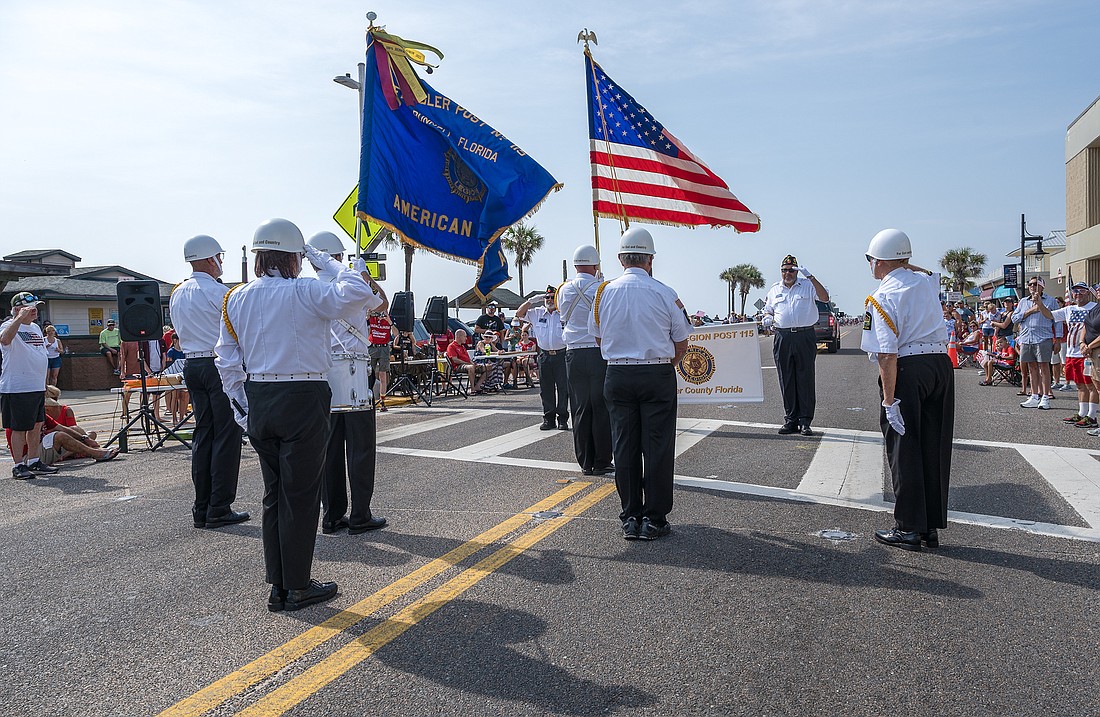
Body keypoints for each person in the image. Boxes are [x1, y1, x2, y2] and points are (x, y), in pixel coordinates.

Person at [216, 218, 373, 612]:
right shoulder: (307, 290)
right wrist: (327, 261)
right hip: (303, 395)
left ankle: (279, 584)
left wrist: (241, 405)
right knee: (301, 496)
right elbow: (358, 291)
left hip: (259, 396)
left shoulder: (235, 297)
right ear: (294, 257)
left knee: (275, 495)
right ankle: (299, 586)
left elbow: (227, 360)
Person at [588, 227, 691, 541]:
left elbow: (597, 336)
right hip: (656, 374)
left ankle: (630, 516)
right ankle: (654, 518)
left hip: (618, 374)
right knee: (657, 448)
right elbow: (683, 340)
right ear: (650, 260)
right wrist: (665, 366)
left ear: (621, 259)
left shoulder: (603, 292)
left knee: (625, 447)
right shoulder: (665, 292)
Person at [861, 229, 953, 551]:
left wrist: (889, 401)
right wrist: (901, 262)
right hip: (940, 365)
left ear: (878, 261)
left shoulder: (880, 296)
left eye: (870, 259)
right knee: (934, 446)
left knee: (904, 449)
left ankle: (909, 528)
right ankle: (929, 527)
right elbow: (923, 271)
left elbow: (886, 353)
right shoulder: (926, 284)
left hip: (908, 369)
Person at [305, 231, 388, 536]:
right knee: (361, 449)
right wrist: (364, 274)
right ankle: (361, 514)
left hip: (323, 376)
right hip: (353, 374)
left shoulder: (310, 290)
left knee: (328, 452)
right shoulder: (351, 288)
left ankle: (331, 515)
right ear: (338, 258)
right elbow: (382, 304)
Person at [170, 234, 248, 530]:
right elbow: (237, 330)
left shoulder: (178, 291)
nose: (220, 263)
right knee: (227, 434)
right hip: (218, 366)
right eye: (218, 257)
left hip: (193, 364)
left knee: (203, 434)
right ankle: (219, 506)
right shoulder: (218, 293)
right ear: (208, 258)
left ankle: (201, 505)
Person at [558, 244, 613, 476]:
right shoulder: (602, 288)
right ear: (595, 264)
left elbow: (563, 315)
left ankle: (585, 461)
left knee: (579, 407)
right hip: (597, 351)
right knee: (600, 407)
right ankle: (601, 459)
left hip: (573, 352)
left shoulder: (563, 289)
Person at [761, 254, 830, 435]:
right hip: (783, 337)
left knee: (805, 378)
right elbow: (767, 310)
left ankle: (805, 421)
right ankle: (791, 419)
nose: (788, 273)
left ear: (797, 271)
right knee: (786, 378)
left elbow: (824, 297)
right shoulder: (775, 290)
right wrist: (767, 318)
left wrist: (811, 277)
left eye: (791, 270)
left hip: (804, 335)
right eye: (784, 270)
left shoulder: (807, 286)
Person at [1, 293, 58, 478]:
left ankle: (34, 460)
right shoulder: (8, 326)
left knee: (36, 425)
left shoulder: (34, 328)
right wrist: (18, 318)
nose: (34, 311)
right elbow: (5, 340)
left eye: (36, 307)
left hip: (36, 386)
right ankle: (18, 465)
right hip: (18, 387)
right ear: (17, 309)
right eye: (30, 307)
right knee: (19, 427)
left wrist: (44, 383)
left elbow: (39, 354)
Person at [517, 285, 568, 430]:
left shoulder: (563, 313)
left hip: (562, 355)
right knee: (546, 389)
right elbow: (519, 314)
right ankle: (549, 419)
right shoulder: (537, 313)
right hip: (545, 356)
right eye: (547, 297)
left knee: (563, 389)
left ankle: (563, 419)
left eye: (552, 297)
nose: (549, 300)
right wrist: (531, 300)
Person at [1052, 283, 1098, 427]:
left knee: (1091, 385)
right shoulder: (1070, 309)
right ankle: (1082, 413)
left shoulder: (1093, 307)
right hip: (1074, 352)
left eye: (1082, 291)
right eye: (1075, 291)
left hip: (1089, 353)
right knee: (1079, 385)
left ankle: (1092, 416)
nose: (1078, 293)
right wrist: (1038, 303)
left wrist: (1088, 346)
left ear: (1088, 293)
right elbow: (1049, 315)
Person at [1012, 276, 1057, 410]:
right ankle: (1034, 395)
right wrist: (1029, 311)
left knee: (1044, 367)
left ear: (1042, 286)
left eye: (1036, 284)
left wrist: (1058, 339)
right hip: (1026, 338)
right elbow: (1014, 318)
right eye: (1030, 284)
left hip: (1043, 338)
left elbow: (1057, 320)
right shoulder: (1023, 302)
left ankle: (1045, 397)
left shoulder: (1051, 301)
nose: (1032, 286)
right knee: (1032, 368)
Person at [446, 329, 490, 393]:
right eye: (464, 336)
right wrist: (468, 364)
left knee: (489, 367)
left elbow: (468, 359)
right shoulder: (451, 346)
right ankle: (472, 389)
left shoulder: (463, 347)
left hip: (467, 364)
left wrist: (473, 364)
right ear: (459, 336)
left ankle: (477, 386)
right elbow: (455, 360)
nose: (466, 338)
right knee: (470, 367)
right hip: (458, 366)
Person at [367, 309, 394, 411]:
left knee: (383, 375)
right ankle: (368, 398)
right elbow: (363, 326)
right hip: (373, 347)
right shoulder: (372, 318)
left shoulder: (388, 318)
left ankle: (383, 401)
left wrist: (389, 321)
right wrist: (368, 315)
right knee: (369, 374)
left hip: (384, 347)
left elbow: (396, 334)